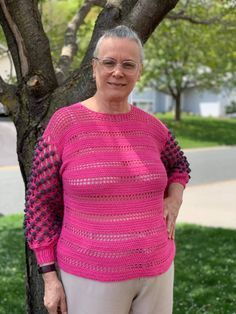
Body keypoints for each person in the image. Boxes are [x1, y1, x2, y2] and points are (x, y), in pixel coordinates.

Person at [24, 25, 191, 314]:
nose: (118, 72)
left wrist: (174, 198)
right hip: (90, 276)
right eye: (109, 62)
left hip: (157, 272)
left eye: (128, 64)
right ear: (94, 67)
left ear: (139, 71)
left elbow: (179, 165)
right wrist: (50, 277)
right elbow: (39, 203)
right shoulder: (64, 125)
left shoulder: (154, 128)